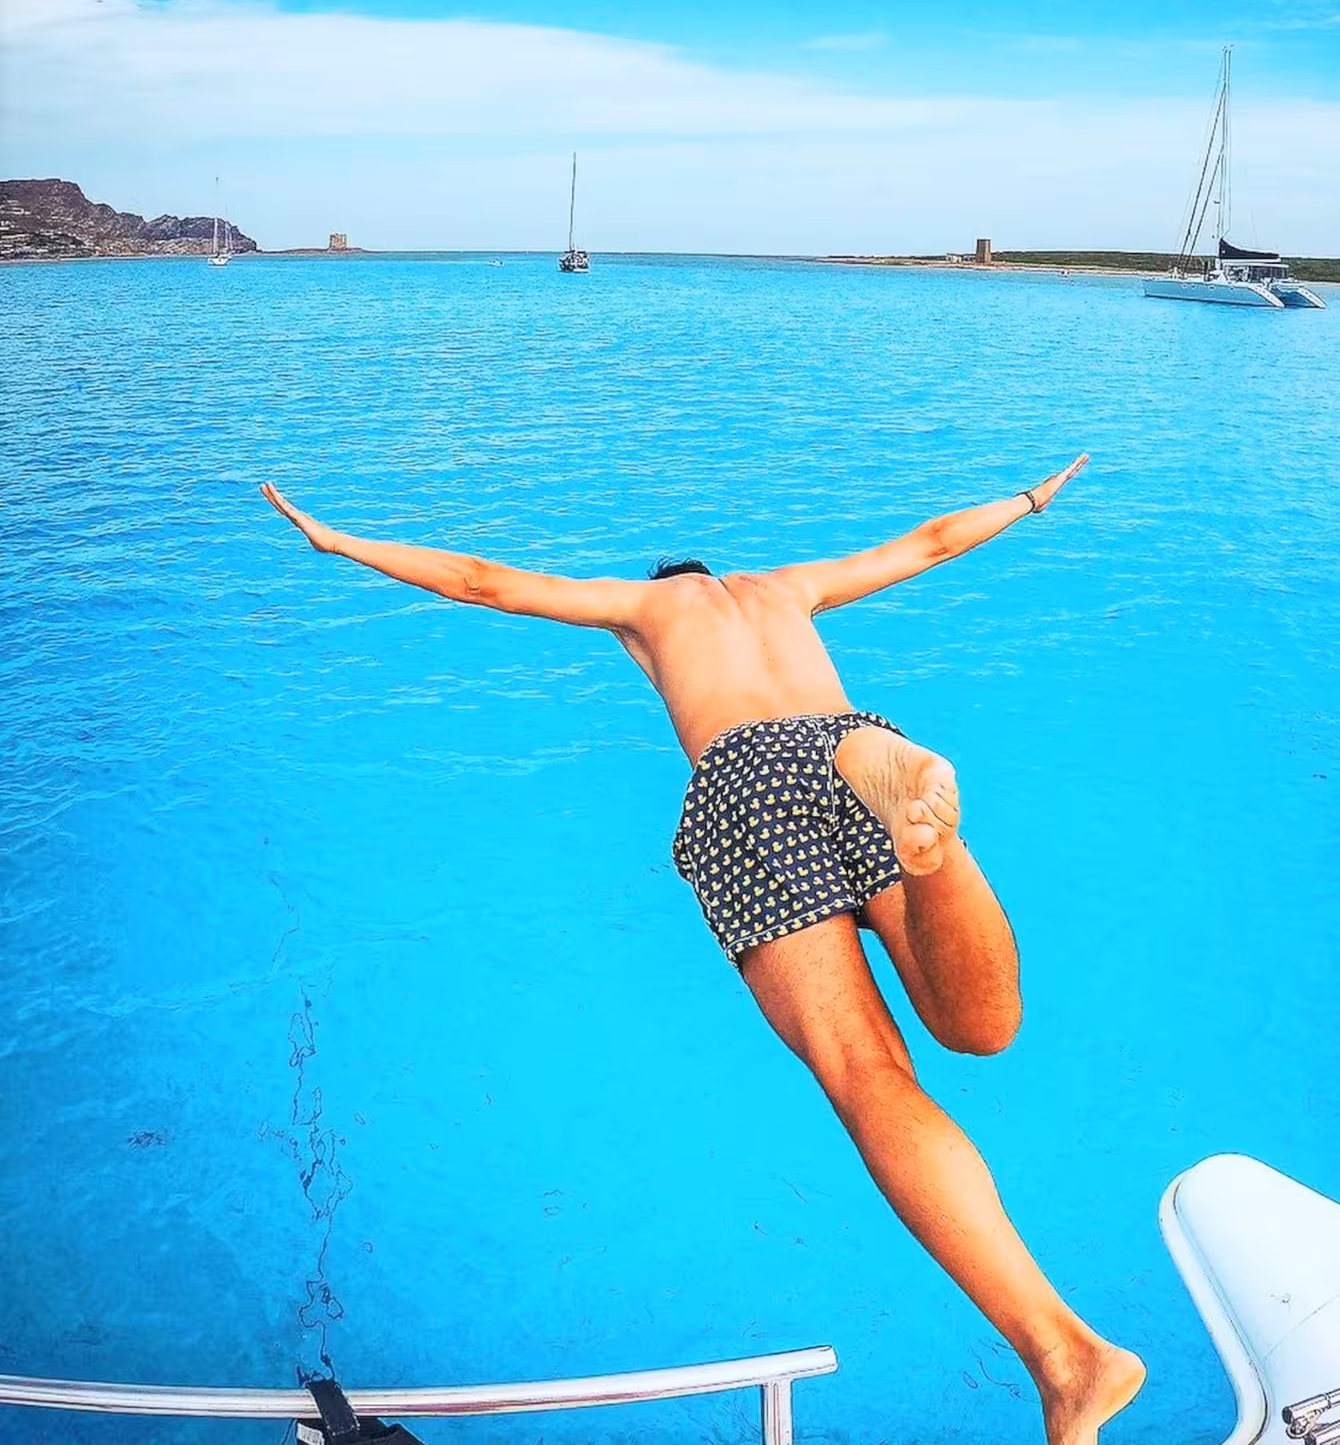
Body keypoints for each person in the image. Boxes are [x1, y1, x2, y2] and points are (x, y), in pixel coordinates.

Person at [259, 459, 1143, 1442]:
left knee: (866, 1071)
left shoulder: (643, 608)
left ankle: (1064, 1356)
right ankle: (932, 851)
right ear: (720, 572)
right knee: (979, 1028)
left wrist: (340, 540)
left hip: (748, 779)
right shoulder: (786, 589)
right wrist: (1027, 500)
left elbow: (482, 578)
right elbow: (928, 541)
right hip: (847, 736)